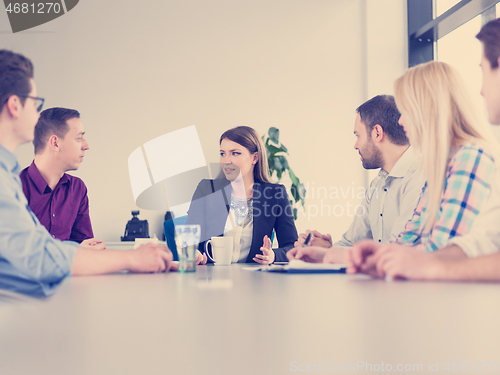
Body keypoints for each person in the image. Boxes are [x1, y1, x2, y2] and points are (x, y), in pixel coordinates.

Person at [0, 49, 174, 297]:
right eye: (36, 103)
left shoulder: (8, 173)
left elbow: (39, 247)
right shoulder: (8, 179)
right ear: (15, 105)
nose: (37, 114)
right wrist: (131, 260)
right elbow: (39, 257)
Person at [348, 56, 500, 280]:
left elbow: (441, 248)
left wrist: (386, 258)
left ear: (425, 111)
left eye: (405, 111)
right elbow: (410, 239)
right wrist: (379, 256)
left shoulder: (470, 156)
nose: (400, 122)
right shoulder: (440, 167)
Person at [287, 95, 424, 264]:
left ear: (377, 133)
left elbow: (400, 249)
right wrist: (327, 250)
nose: (355, 145)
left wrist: (332, 254)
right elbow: (351, 244)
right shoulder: (378, 184)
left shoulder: (420, 176)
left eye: (357, 135)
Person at [186, 126, 298, 264]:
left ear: (254, 157)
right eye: (223, 153)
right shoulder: (207, 189)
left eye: (235, 153)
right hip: (210, 279)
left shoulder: (275, 194)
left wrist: (273, 256)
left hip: (254, 279)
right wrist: (193, 253)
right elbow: (188, 239)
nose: (227, 160)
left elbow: (292, 247)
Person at [20, 107, 104, 248]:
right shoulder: (13, 188)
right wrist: (76, 250)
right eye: (79, 138)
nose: (86, 145)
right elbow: (17, 252)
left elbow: (86, 246)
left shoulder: (78, 188)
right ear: (55, 143)